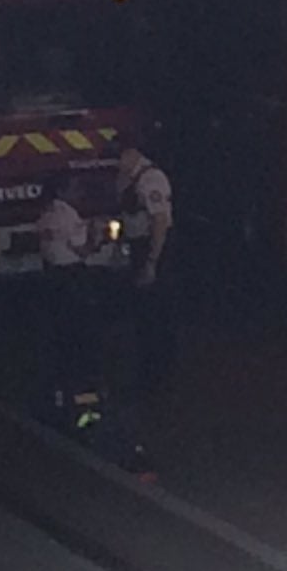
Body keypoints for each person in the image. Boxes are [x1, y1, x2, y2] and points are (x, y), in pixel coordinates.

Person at [117, 141, 176, 397]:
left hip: (152, 249)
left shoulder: (150, 179)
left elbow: (160, 221)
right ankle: (148, 373)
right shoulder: (131, 178)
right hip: (140, 247)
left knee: (155, 315)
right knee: (144, 315)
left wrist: (151, 261)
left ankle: (157, 377)